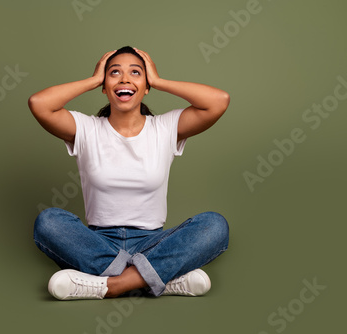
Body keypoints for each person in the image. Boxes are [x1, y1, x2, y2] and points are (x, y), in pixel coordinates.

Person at [28, 46, 230, 300]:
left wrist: (159, 81)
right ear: (105, 85)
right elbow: (39, 104)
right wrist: (92, 80)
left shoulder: (164, 128)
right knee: (48, 222)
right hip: (99, 243)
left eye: (135, 72)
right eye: (114, 73)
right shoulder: (87, 129)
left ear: (146, 87)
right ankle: (157, 278)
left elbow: (218, 101)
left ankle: (111, 285)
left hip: (153, 242)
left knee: (214, 226)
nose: (125, 79)